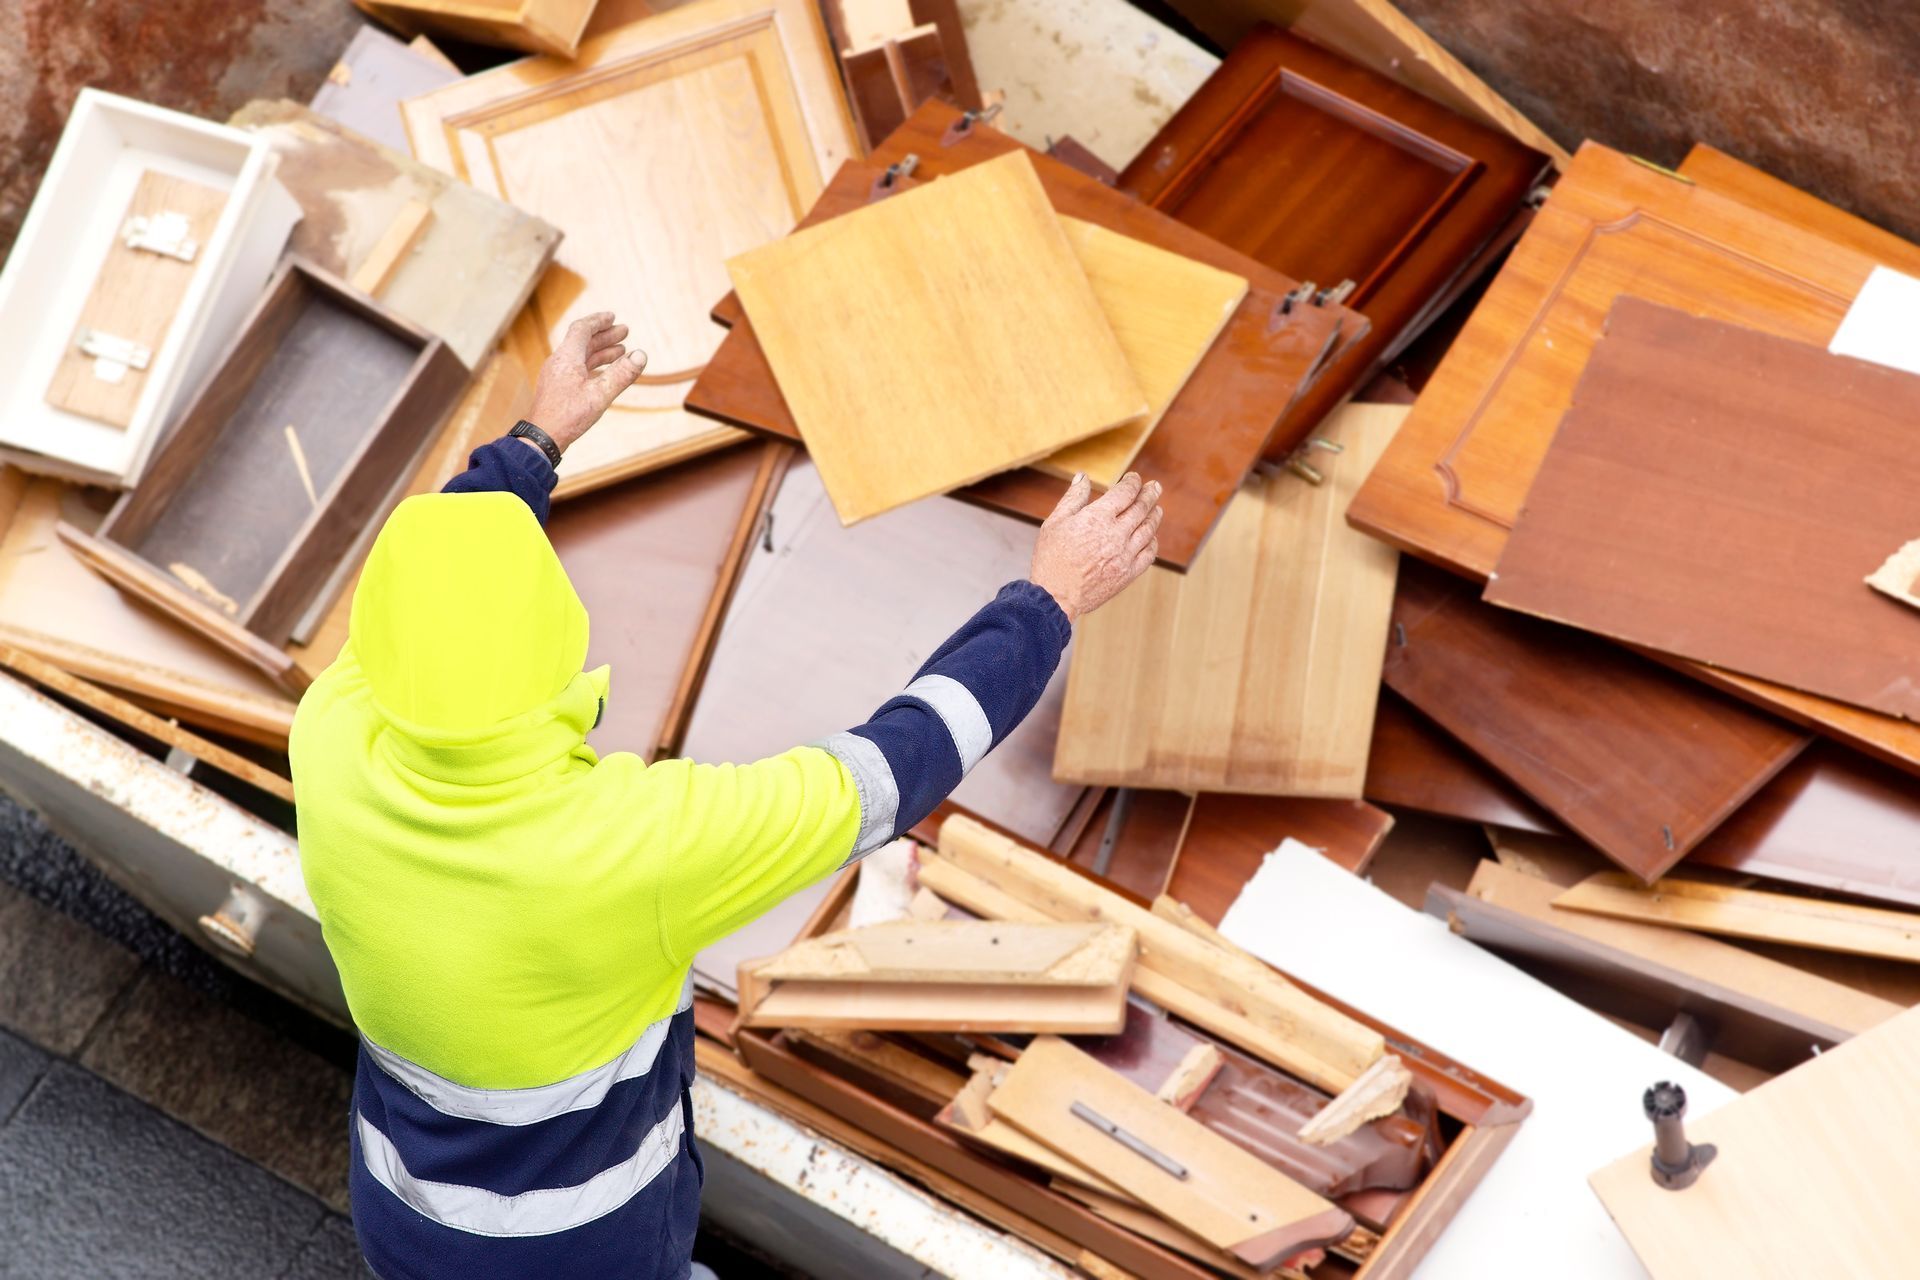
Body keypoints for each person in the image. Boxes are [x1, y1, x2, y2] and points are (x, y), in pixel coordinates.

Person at [290, 313, 1164, 1279]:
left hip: (402, 1207)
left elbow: (440, 577)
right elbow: (891, 769)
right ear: (552, 661)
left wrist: (538, 440)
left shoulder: (333, 735)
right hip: (584, 1250)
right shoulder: (634, 853)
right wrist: (1047, 604)